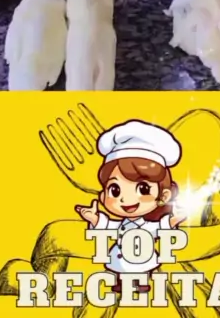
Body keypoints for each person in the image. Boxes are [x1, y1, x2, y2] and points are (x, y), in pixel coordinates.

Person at [75, 119, 185, 293]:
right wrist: (95, 219)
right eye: (115, 190)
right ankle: (121, 282)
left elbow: (159, 228)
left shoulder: (148, 226)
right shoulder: (121, 225)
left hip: (143, 262)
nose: (126, 199)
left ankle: (141, 283)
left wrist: (173, 221)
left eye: (143, 189)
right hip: (119, 261)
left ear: (163, 196)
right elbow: (109, 226)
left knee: (142, 271)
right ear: (103, 196)